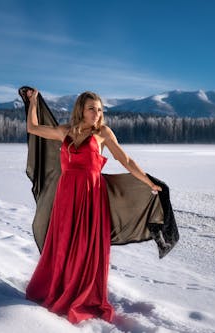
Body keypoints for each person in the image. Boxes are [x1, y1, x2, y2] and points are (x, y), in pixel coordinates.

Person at [24, 88, 162, 324]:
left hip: (91, 198)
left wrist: (148, 180)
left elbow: (125, 160)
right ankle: (59, 288)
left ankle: (82, 295)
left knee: (86, 247)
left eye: (99, 109)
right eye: (92, 109)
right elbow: (33, 128)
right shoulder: (64, 132)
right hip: (66, 197)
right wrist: (33, 102)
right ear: (81, 109)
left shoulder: (103, 133)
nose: (97, 114)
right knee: (64, 244)